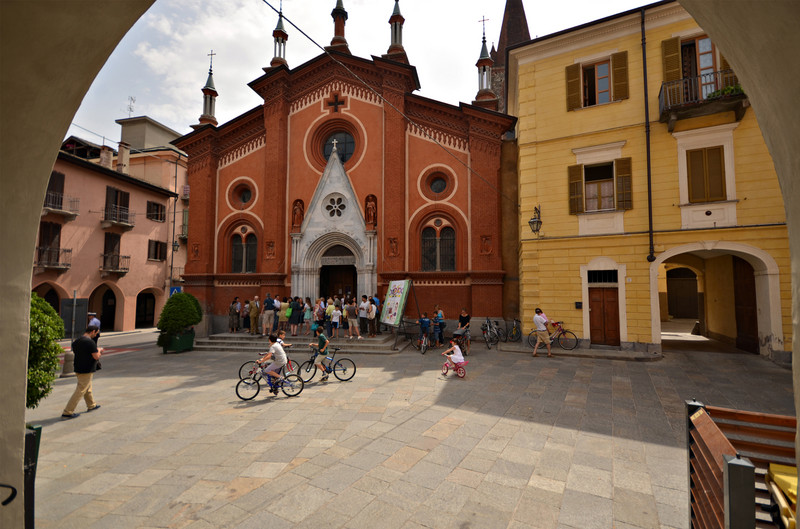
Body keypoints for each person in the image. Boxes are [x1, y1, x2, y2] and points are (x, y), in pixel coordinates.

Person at [61, 325, 103, 419]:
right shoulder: (90, 342)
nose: (96, 335)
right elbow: (96, 356)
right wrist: (99, 350)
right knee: (80, 390)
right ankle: (68, 411)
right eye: (96, 333)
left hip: (78, 367)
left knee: (87, 387)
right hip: (87, 369)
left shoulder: (77, 341)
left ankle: (91, 405)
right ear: (92, 331)